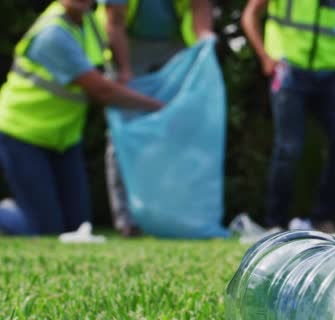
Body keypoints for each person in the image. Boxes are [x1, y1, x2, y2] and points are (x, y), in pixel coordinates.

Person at [0, 0, 162, 235]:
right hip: (22, 134)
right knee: (47, 230)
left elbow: (114, 28)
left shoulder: (89, 23)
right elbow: (102, 90)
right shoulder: (52, 35)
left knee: (78, 227)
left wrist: (125, 71)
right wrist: (157, 106)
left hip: (64, 137)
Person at [97, 0, 215, 236]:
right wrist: (125, 70)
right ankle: (127, 220)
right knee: (124, 132)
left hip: (174, 46)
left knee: (178, 132)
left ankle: (174, 215)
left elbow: (200, 6)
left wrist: (205, 39)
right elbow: (115, 22)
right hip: (126, 44)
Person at [241, 0, 335, 234]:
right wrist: (265, 56)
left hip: (329, 72)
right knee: (289, 147)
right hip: (288, 70)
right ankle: (276, 223)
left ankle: (322, 220)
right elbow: (250, 14)